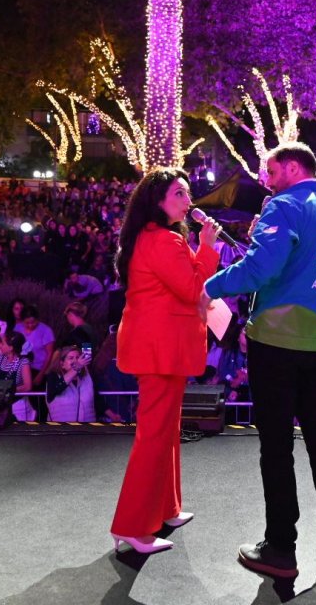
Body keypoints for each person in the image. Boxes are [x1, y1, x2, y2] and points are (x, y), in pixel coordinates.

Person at [202, 142, 316, 578]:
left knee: (276, 445)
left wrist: (209, 288)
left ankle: (280, 549)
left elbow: (261, 271)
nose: (266, 181)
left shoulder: (284, 206)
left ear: (293, 168)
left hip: (275, 339)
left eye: (271, 172)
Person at [110, 168, 220, 556]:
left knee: (166, 431)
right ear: (157, 200)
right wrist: (208, 247)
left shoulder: (157, 237)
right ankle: (132, 527)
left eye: (187, 193)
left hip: (160, 348)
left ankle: (166, 509)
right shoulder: (162, 240)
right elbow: (193, 288)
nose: (188, 201)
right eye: (179, 194)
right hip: (159, 350)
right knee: (154, 437)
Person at [46, 345, 96, 423]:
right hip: (61, 429)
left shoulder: (86, 377)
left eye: (77, 358)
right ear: (62, 364)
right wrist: (76, 367)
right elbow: (56, 389)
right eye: (71, 358)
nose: (75, 361)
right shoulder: (53, 376)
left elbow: (97, 401)